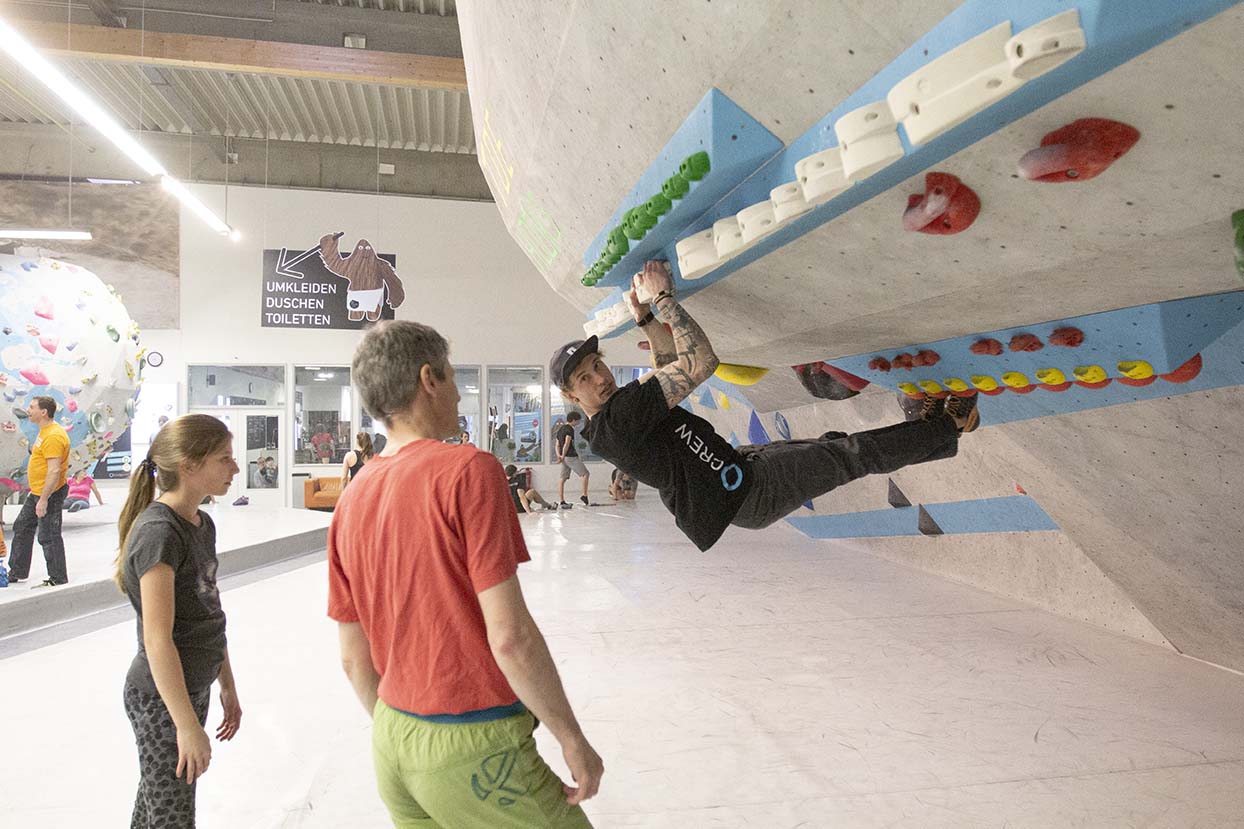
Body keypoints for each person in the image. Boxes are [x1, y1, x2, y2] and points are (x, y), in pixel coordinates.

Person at [329, 320, 602, 826]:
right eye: (453, 377)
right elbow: (510, 637)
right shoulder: (468, 470)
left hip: (391, 741)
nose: (458, 394)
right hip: (474, 742)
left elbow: (353, 659)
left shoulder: (352, 500)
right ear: (429, 378)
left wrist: (408, 740)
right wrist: (571, 738)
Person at [551, 260, 980, 552]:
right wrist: (664, 299)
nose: (600, 379)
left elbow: (666, 369)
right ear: (572, 396)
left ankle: (944, 431)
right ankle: (950, 422)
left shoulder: (614, 416)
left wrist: (645, 319)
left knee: (839, 448)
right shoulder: (615, 424)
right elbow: (700, 363)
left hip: (741, 471)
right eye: (584, 379)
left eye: (596, 366)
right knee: (854, 455)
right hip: (750, 492)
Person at [112, 414, 243, 828]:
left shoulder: (201, 524)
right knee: (172, 817)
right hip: (161, 699)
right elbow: (158, 640)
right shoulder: (159, 533)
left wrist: (227, 684)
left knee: (157, 806)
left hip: (191, 688)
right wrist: (185, 725)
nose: (235, 468)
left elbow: (208, 613)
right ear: (188, 465)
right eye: (224, 459)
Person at [8, 395, 71, 586]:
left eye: (32, 407)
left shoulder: (53, 436)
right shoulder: (44, 431)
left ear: (43, 412)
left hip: (48, 493)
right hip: (37, 491)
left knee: (48, 534)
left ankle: (58, 577)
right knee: (22, 526)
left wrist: (44, 499)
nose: (28, 410)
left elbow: (54, 470)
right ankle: (17, 571)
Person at [555, 411, 590, 508]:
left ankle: (561, 501)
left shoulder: (560, 429)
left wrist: (560, 456)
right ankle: (584, 495)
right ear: (573, 420)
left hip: (564, 458)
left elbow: (557, 444)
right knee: (585, 474)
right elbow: (567, 443)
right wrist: (563, 455)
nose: (578, 423)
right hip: (570, 456)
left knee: (562, 479)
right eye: (578, 421)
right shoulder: (570, 429)